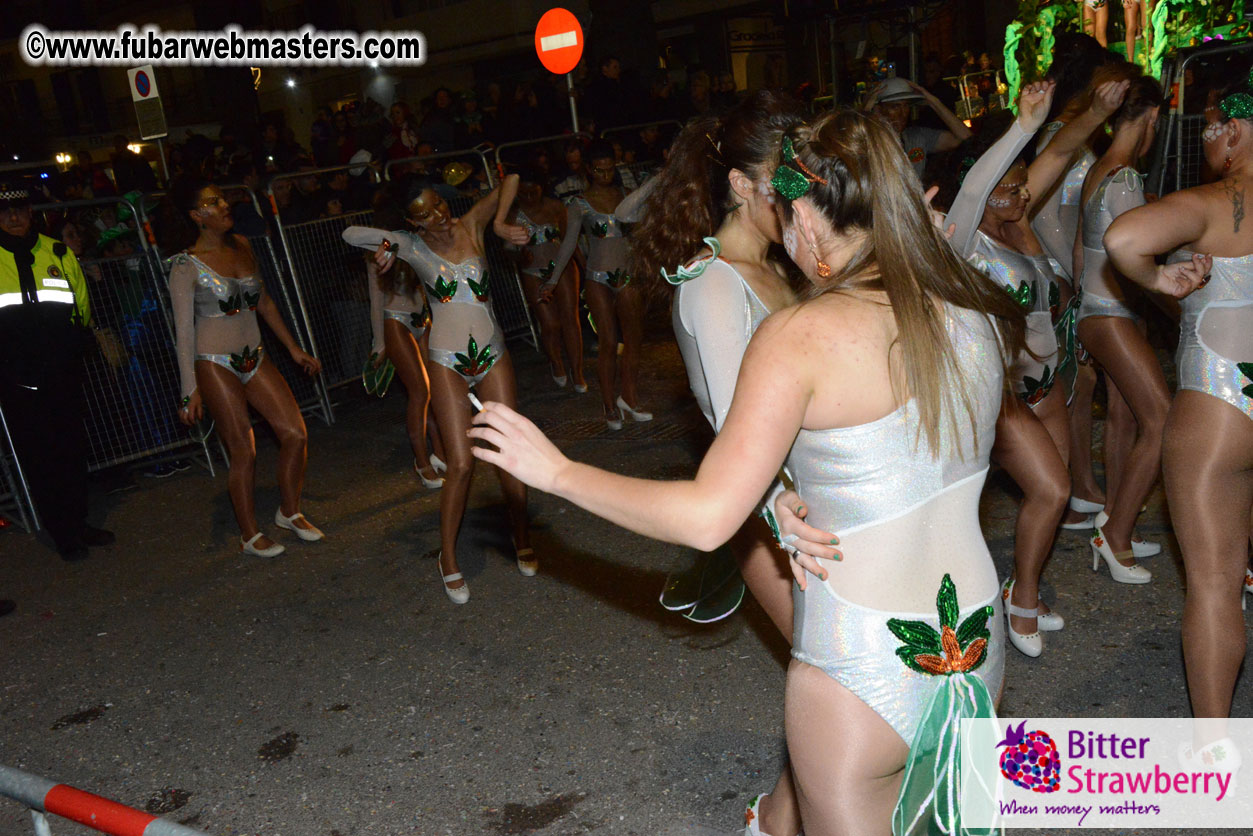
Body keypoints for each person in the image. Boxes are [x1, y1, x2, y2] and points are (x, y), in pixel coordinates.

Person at [467, 106, 1026, 834]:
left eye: (782, 210)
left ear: (804, 211)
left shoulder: (798, 335)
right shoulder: (970, 307)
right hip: (979, 641)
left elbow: (707, 517)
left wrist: (558, 472)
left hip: (860, 659)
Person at [628, 90, 806, 836]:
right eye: (788, 178)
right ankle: (776, 820)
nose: (805, 193)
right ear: (740, 184)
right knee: (841, 678)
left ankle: (778, 818)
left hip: (829, 499)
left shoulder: (788, 262)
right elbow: (736, 428)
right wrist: (787, 516)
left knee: (846, 681)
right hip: (775, 517)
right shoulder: (709, 283)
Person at [941, 80, 1128, 655]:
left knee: (1053, 490)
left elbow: (1056, 156)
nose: (1025, 194)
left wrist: (1096, 110)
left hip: (1047, 385)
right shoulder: (963, 236)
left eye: (1025, 186)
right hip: (997, 393)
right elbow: (976, 188)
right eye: (1013, 187)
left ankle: (1026, 588)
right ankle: (1018, 600)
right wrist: (1021, 126)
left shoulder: (1015, 227)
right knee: (1050, 491)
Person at [1104, 66, 1253, 768]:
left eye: (1219, 126)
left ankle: (1212, 747)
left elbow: (1124, 238)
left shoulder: (1218, 202)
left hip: (1221, 408)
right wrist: (1180, 296)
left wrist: (1157, 276)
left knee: (1216, 580)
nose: (1211, 138)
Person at [342, 175, 535, 604]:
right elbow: (349, 233)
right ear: (413, 222)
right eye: (425, 213)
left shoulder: (470, 226)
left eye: (438, 205)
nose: (438, 215)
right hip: (447, 361)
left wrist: (501, 222)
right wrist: (388, 243)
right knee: (462, 464)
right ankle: (447, 558)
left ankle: (522, 537)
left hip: (493, 353)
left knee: (510, 451)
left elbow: (510, 180)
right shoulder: (411, 245)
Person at [165, 178, 325, 557]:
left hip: (256, 355)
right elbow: (184, 333)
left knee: (295, 433)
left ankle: (289, 511)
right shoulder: (184, 266)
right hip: (213, 362)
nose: (224, 205)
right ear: (196, 216)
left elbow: (265, 303)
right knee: (244, 450)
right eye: (213, 201)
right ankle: (249, 534)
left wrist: (293, 348)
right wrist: (190, 389)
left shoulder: (244, 245)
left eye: (222, 199)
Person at [1076, 75, 1169, 584]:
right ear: (1152, 117)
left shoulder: (1095, 171)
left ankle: (1115, 519)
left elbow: (1078, 251)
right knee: (1162, 419)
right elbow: (1141, 255)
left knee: (1123, 415)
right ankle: (1114, 536)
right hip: (1112, 312)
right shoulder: (1127, 179)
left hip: (1093, 309)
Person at [1029, 38, 1122, 534]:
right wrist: (1070, 278)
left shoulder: (1075, 135)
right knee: (1070, 385)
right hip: (1055, 274)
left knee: (1078, 384)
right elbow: (1046, 215)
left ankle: (1077, 484)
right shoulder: (1061, 135)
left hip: (1066, 272)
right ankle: (1071, 487)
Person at [0, 183, 116, 561]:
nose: (12, 217)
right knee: (39, 456)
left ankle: (79, 521)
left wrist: (71, 350)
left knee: (71, 449)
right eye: (3, 211)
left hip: (62, 371)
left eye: (18, 208)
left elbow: (81, 308)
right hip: (17, 378)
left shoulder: (59, 252)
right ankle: (62, 531)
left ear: (30, 211)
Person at [550, 142, 651, 430]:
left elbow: (640, 237)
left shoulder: (625, 197)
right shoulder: (579, 203)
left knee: (633, 341)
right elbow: (569, 243)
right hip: (597, 277)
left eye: (610, 169)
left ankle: (629, 399)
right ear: (589, 170)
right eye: (599, 170)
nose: (605, 175)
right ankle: (608, 405)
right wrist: (553, 279)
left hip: (627, 274)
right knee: (608, 342)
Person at [365, 186, 445, 489]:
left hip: (422, 318)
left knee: (435, 388)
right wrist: (379, 343)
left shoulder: (416, 244)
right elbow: (375, 299)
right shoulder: (377, 252)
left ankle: (439, 452)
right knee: (420, 391)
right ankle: (422, 462)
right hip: (395, 321)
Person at [503, 168, 587, 393]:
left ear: (542, 188)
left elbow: (571, 239)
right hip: (533, 271)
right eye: (524, 191)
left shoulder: (555, 207)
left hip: (563, 267)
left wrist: (585, 266)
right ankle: (556, 362)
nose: (530, 195)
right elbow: (508, 251)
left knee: (571, 319)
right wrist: (520, 255)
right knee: (550, 323)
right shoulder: (513, 216)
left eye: (534, 190)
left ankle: (577, 371)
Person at [864, 76, 972, 182]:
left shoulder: (917, 136)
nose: (903, 113)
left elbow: (966, 138)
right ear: (879, 110)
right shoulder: (870, 142)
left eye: (906, 106)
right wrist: (866, 112)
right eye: (895, 107)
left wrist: (934, 102)